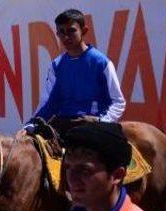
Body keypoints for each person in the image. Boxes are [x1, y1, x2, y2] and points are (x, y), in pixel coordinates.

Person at [31, 9, 126, 137]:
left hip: (93, 128)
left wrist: (100, 121)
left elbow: (118, 102)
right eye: (61, 32)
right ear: (57, 34)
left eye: (71, 31)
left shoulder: (101, 62)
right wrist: (31, 125)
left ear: (84, 31)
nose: (66, 37)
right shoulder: (56, 66)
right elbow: (47, 103)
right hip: (62, 127)